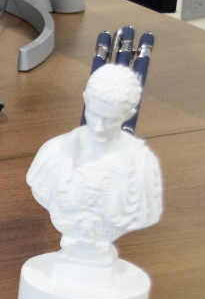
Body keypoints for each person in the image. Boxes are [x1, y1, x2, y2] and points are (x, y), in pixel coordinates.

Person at [26, 63, 163, 266]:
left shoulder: (142, 166)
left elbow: (146, 213)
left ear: (129, 115)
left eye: (109, 120)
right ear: (85, 100)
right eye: (93, 114)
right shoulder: (54, 153)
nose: (98, 127)